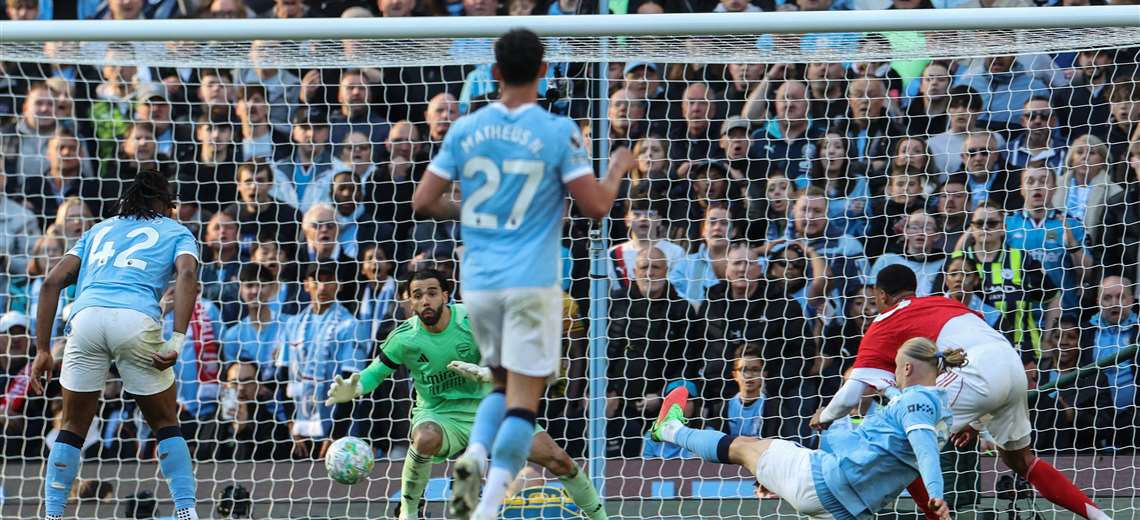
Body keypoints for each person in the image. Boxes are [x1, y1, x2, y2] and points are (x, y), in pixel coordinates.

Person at [410, 29, 633, 520]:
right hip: (531, 281)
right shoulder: (558, 131)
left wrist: (465, 211)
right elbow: (595, 207)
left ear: (493, 73)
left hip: (480, 282)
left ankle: (473, 456)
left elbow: (423, 201)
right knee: (522, 406)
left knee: (498, 386)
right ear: (544, 71)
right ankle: (487, 500)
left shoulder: (466, 128)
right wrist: (617, 167)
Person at [812, 264, 1111, 520]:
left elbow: (850, 396)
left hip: (976, 372)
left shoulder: (882, 324)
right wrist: (972, 419)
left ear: (880, 295)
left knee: (909, 444)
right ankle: (1100, 516)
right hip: (1011, 363)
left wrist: (823, 417)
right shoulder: (944, 302)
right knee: (1021, 461)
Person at [325, 270, 606, 519]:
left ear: (446, 295)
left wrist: (485, 372)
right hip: (440, 413)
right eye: (418, 295)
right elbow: (375, 373)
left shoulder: (472, 320)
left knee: (558, 460)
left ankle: (601, 517)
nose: (426, 301)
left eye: (432, 293)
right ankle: (408, 513)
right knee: (425, 438)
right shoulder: (403, 338)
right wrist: (356, 387)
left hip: (492, 407)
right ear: (410, 301)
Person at [27, 172, 202, 520]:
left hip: (86, 318)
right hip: (135, 320)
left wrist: (43, 350)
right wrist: (178, 339)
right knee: (165, 421)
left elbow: (51, 282)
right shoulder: (177, 231)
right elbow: (186, 276)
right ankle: (186, 511)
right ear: (165, 205)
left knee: (73, 426)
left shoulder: (98, 230)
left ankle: (53, 514)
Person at [649, 337, 959, 520]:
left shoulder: (916, 402)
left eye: (896, 369)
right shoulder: (940, 410)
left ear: (906, 368)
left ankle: (670, 429)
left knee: (743, 446)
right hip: (849, 510)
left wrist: (936, 495)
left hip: (823, 480)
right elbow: (910, 450)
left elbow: (924, 451)